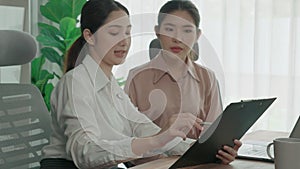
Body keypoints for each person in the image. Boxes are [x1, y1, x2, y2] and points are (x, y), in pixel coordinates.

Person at [40, 0, 204, 169]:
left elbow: (142, 128)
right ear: (89, 36)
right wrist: (155, 141)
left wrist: (204, 149)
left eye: (127, 33)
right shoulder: (75, 83)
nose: (124, 41)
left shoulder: (111, 85)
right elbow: (85, 153)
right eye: (114, 32)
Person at [125, 0, 242, 165]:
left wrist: (224, 151)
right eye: (170, 29)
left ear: (197, 35)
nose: (177, 38)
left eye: (187, 30)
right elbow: (125, 141)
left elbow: (213, 136)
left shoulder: (207, 78)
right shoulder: (137, 78)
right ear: (157, 32)